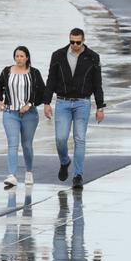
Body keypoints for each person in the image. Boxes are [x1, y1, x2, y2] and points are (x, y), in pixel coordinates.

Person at [45, 28, 105, 190]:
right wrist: (46, 102)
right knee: (60, 138)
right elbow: (51, 80)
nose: (75, 45)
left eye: (78, 42)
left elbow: (97, 85)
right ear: (69, 40)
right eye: (72, 42)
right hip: (63, 103)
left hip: (83, 103)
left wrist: (100, 107)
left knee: (80, 139)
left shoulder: (93, 57)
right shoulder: (58, 55)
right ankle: (65, 161)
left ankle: (78, 175)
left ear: (83, 40)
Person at [0, 45, 47, 189]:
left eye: (22, 56)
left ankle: (29, 172)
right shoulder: (6, 72)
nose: (19, 59)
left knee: (27, 145)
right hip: (10, 113)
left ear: (27, 58)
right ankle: (12, 176)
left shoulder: (34, 73)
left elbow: (43, 93)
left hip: (29, 115)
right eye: (17, 56)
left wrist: (30, 104)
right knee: (12, 143)